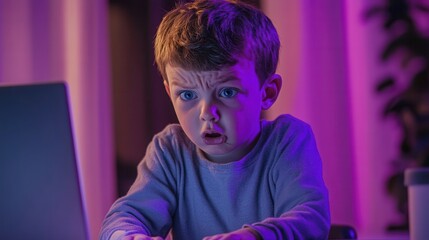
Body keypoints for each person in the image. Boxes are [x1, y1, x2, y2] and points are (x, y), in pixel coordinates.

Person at [100, 0, 330, 239]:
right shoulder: (169, 151)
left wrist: (252, 237)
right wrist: (127, 236)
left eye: (227, 92)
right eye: (187, 95)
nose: (207, 113)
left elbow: (310, 220)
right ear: (170, 94)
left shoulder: (287, 142)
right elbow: (123, 219)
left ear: (267, 92)